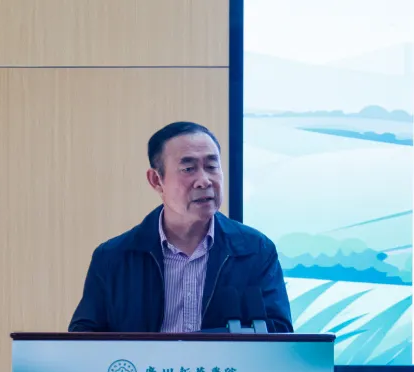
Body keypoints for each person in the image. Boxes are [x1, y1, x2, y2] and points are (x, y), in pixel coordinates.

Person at [68, 121, 293, 333]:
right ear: (156, 180)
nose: (204, 180)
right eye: (188, 168)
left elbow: (279, 334)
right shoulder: (114, 257)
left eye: (212, 166)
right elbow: (85, 338)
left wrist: (195, 347)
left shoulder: (255, 250)